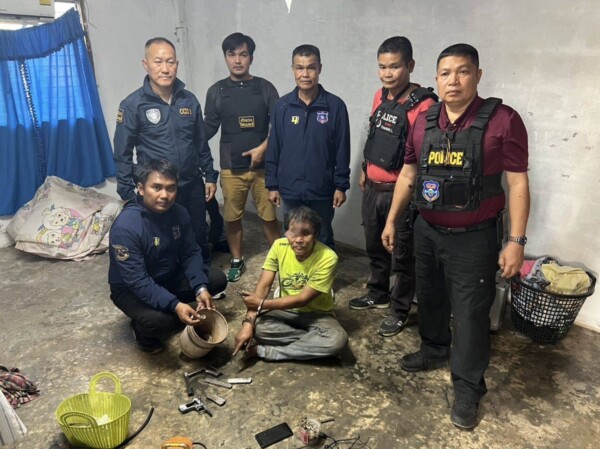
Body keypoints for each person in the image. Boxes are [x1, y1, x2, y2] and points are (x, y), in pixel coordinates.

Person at [381, 44, 530, 429]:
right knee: (430, 298)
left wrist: (516, 241)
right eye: (445, 73)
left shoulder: (503, 121)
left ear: (477, 75)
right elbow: (409, 173)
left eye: (463, 72)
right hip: (427, 230)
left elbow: (517, 182)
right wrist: (392, 220)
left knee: (470, 314)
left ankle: (467, 388)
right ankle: (433, 349)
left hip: (474, 237)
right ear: (436, 78)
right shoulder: (423, 121)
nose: (453, 81)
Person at [349, 36, 437, 338]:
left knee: (402, 255)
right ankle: (378, 292)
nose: (387, 73)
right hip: (373, 187)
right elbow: (375, 136)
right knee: (374, 245)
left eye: (395, 66)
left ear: (410, 65)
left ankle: (399, 310)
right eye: (382, 67)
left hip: (400, 194)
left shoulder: (425, 105)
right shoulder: (380, 96)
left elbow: (421, 158)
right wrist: (365, 168)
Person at [113, 37, 218, 265]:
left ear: (177, 65)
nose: (165, 68)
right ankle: (168, 281)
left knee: (197, 234)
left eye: (170, 62)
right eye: (158, 61)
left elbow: (200, 143)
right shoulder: (133, 104)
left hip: (191, 184)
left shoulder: (189, 101)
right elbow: (122, 153)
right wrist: (127, 192)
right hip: (158, 189)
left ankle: (201, 277)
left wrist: (210, 175)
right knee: (162, 240)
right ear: (145, 64)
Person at [108, 160, 228, 354]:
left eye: (171, 188)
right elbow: (137, 281)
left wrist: (200, 287)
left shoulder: (179, 213)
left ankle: (168, 304)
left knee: (216, 280)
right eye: (157, 187)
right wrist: (175, 305)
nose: (164, 195)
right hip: (130, 289)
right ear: (141, 188)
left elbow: (190, 253)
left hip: (166, 276)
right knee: (163, 322)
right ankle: (141, 330)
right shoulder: (126, 227)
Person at [204, 32, 281, 283]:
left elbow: (279, 127)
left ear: (251, 58)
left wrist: (264, 148)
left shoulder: (265, 88)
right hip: (231, 168)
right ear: (225, 57)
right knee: (232, 218)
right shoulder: (216, 91)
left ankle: (281, 259)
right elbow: (208, 127)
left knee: (269, 216)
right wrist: (183, 133)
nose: (237, 60)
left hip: (263, 168)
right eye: (232, 54)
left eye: (243, 54)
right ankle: (237, 260)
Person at [232, 206, 348, 361]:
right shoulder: (279, 246)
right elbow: (263, 286)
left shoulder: (328, 257)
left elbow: (302, 299)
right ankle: (312, 344)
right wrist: (248, 324)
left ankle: (266, 352)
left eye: (306, 233)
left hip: (318, 314)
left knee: (337, 340)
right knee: (258, 327)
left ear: (315, 235)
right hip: (285, 309)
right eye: (293, 233)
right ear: (286, 233)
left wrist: (261, 304)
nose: (299, 240)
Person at [265, 44, 351, 249]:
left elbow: (342, 149)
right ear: (293, 69)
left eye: (311, 67)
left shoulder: (335, 106)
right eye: (300, 68)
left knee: (323, 239)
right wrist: (272, 184)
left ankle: (323, 272)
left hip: (322, 190)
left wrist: (340, 186)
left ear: (319, 68)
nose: (305, 74)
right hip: (290, 189)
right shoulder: (282, 106)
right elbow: (274, 147)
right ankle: (294, 272)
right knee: (293, 240)